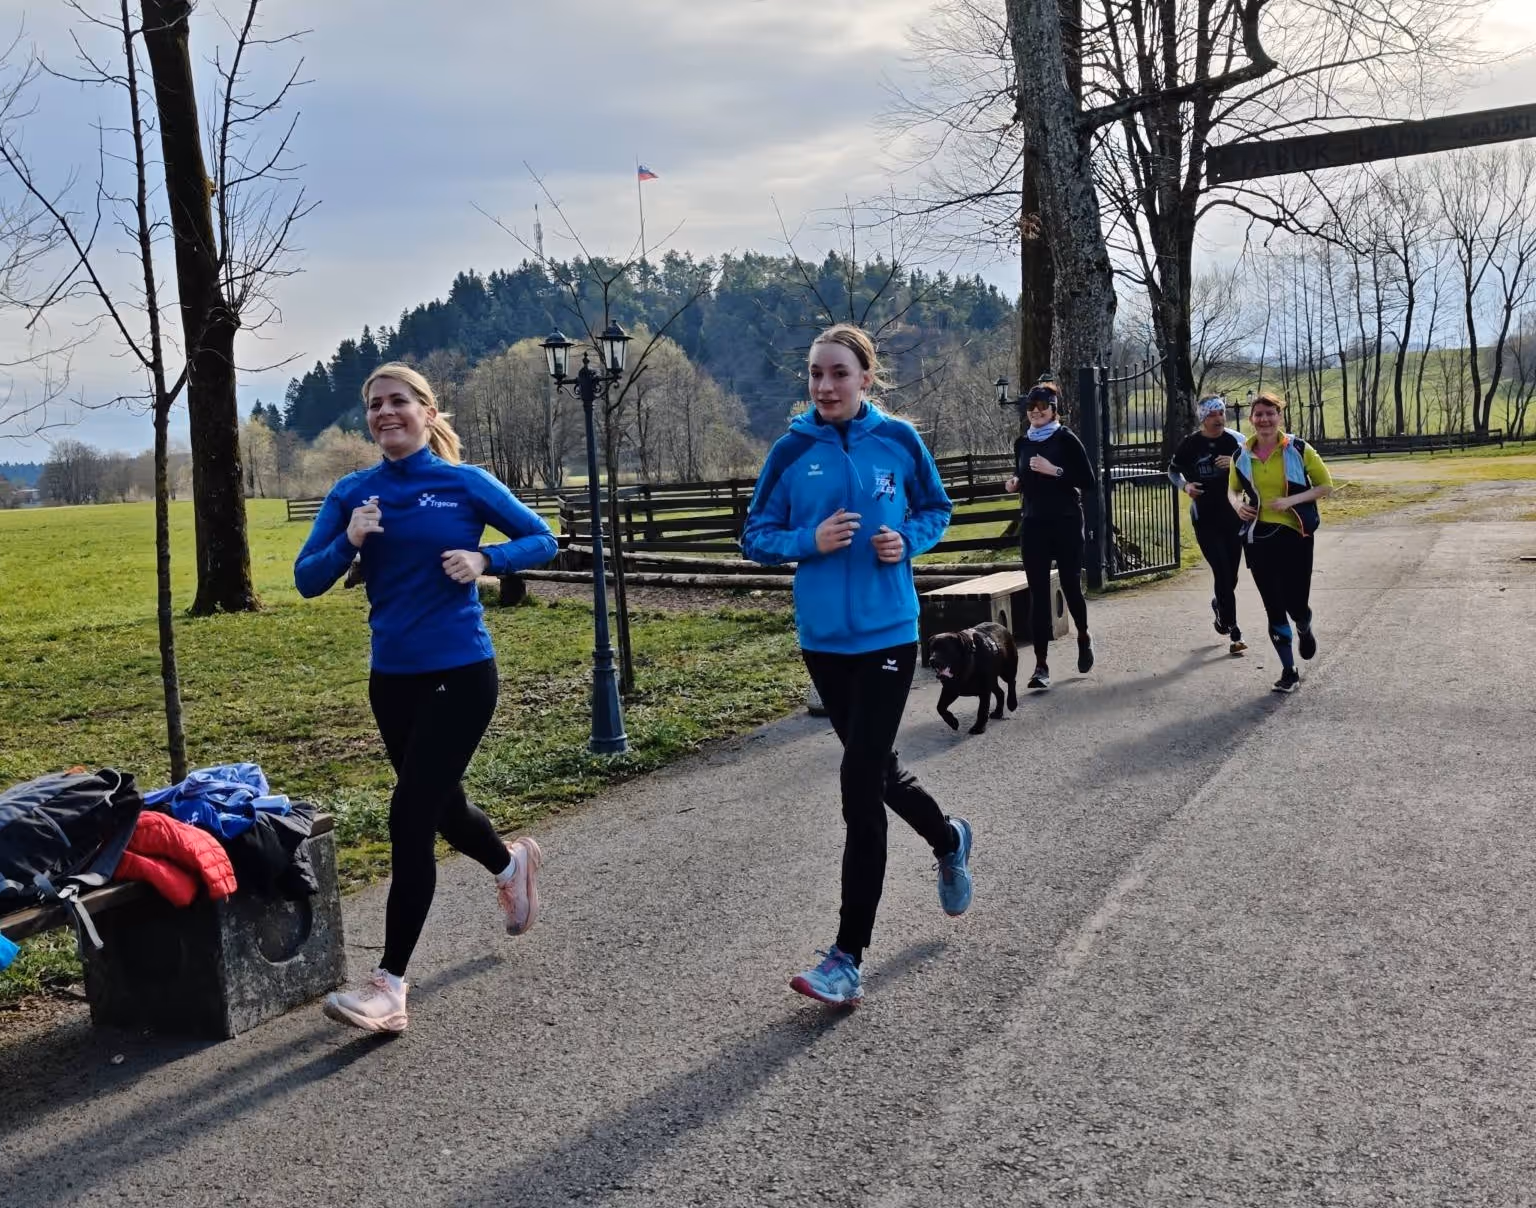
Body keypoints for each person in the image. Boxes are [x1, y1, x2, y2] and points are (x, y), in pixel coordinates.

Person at [294, 362, 558, 1033]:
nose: (386, 413)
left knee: (409, 815)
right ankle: (510, 861)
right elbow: (305, 578)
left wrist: (486, 562)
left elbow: (543, 538)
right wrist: (350, 540)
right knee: (442, 806)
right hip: (393, 680)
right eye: (375, 405)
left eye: (399, 402)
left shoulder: (463, 484)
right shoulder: (354, 494)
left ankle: (388, 986)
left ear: (428, 412)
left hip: (462, 672)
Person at [741, 323, 974, 1008]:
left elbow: (936, 509)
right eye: (815, 374)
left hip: (889, 635)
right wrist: (806, 542)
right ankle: (948, 835)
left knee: (855, 782)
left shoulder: (898, 440)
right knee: (878, 771)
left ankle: (847, 957)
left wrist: (908, 540)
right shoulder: (791, 449)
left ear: (865, 378)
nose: (824, 386)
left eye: (838, 374)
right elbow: (756, 535)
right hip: (823, 641)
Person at [1226, 391, 1333, 694]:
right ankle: (1289, 670)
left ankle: (1303, 623)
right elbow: (1232, 490)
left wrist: (1290, 501)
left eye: (1270, 413)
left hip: (1296, 533)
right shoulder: (1241, 455)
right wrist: (1237, 506)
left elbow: (1325, 486)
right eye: (1259, 414)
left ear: (1279, 417)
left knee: (1295, 602)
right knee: (1273, 604)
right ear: (1251, 420)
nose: (1264, 420)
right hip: (1258, 536)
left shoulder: (1298, 449)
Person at [1003, 382, 1097, 691]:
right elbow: (1024, 475)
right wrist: (1016, 481)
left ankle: (1083, 635)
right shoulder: (1022, 443)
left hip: (1066, 522)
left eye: (1043, 408)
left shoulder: (1066, 439)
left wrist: (1054, 470)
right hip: (1034, 524)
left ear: (1054, 410)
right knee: (1039, 594)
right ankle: (1041, 666)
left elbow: (1088, 480)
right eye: (1031, 408)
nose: (1036, 413)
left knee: (1070, 586)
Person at [1169, 395, 1247, 656]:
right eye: (1212, 414)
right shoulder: (1191, 444)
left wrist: (1235, 462)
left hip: (1233, 516)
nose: (1219, 418)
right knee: (1222, 572)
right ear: (1203, 418)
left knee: (1231, 576)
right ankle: (1235, 631)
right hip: (1205, 518)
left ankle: (1220, 607)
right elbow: (1172, 471)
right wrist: (1185, 486)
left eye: (1221, 413)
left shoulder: (1235, 441)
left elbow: (1253, 469)